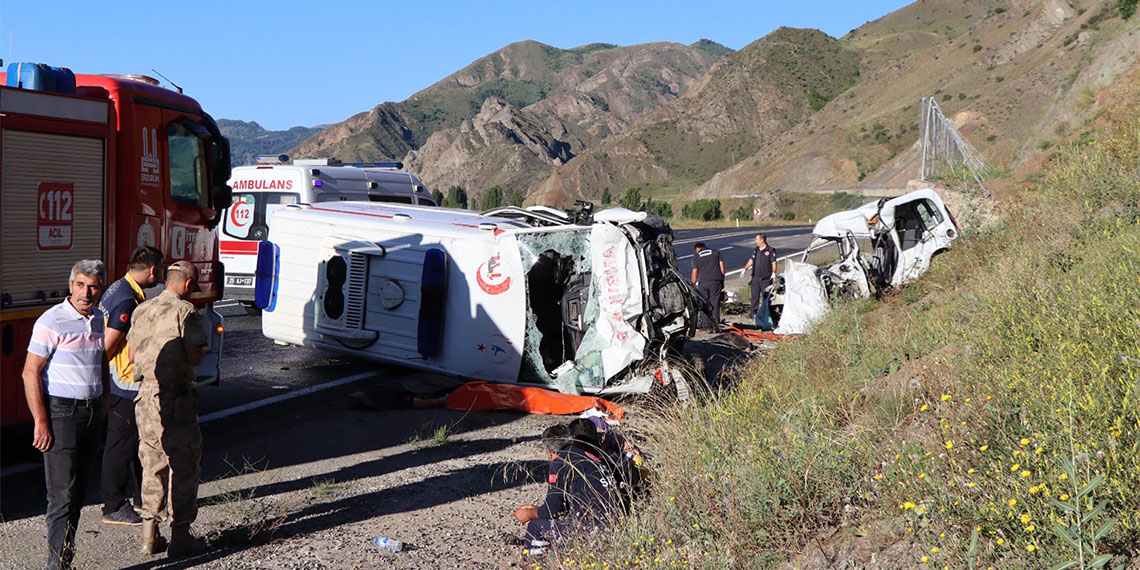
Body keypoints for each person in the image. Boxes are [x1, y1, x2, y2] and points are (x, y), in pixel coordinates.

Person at [21, 260, 109, 570]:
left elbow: (100, 359)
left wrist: (106, 397)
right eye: (81, 285)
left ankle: (64, 561)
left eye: (93, 286)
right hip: (62, 413)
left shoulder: (98, 318)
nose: (87, 292)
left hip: (91, 413)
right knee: (61, 497)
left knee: (81, 493)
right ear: (71, 285)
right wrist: (41, 421)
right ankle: (56, 566)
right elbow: (30, 372)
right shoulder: (52, 320)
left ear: (101, 289)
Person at [128, 261, 208, 557]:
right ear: (187, 284)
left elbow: (133, 353)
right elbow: (195, 355)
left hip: (145, 395)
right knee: (184, 464)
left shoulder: (142, 309)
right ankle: (180, 536)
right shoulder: (185, 311)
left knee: (152, 462)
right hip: (175, 396)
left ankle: (149, 535)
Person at [99, 246, 164, 526]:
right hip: (123, 383)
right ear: (152, 270)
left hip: (118, 381)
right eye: (159, 270)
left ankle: (142, 497)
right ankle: (113, 505)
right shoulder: (128, 301)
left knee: (134, 443)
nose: (159, 275)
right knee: (120, 445)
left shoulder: (119, 287)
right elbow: (109, 346)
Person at [513, 420, 621, 546]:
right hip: (616, 524)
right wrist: (536, 510)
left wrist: (528, 514)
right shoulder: (588, 456)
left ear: (549, 451)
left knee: (535, 527)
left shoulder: (561, 461)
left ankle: (536, 563)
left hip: (593, 528)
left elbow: (552, 510)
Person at [742, 233, 778, 331]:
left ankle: (767, 314)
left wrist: (774, 273)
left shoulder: (770, 250)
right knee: (754, 296)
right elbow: (752, 260)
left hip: (765, 278)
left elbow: (774, 262)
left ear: (762, 240)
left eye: (757, 239)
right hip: (756, 278)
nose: (755, 241)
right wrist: (745, 268)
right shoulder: (756, 250)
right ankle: (753, 313)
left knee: (766, 297)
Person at [690, 242, 726, 332]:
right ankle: (716, 326)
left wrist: (692, 285)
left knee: (704, 304)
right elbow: (722, 267)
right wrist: (721, 280)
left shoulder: (697, 256)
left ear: (697, 249)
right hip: (716, 281)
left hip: (704, 283)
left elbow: (695, 271)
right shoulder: (716, 252)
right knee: (715, 303)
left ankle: (706, 326)